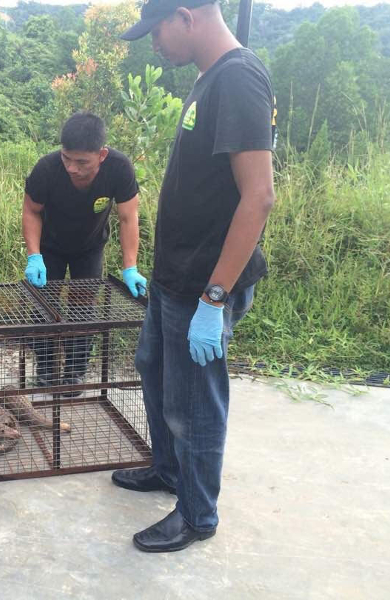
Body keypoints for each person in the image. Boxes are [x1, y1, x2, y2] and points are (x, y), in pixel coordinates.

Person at [115, 0, 277, 552]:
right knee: (154, 372)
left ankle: (197, 514)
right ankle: (168, 470)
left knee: (195, 402)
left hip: (204, 283)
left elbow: (258, 197)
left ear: (186, 16)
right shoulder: (209, 77)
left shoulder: (239, 79)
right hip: (173, 275)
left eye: (156, 32)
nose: (155, 46)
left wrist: (215, 297)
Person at [22, 112, 146, 393]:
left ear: (101, 154)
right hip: (49, 248)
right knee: (44, 306)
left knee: (83, 309)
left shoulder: (119, 168)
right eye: (67, 158)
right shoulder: (47, 168)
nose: (71, 168)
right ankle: (46, 368)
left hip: (89, 247)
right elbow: (31, 210)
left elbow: (128, 217)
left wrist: (130, 267)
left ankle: (75, 372)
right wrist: (34, 256)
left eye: (82, 162)